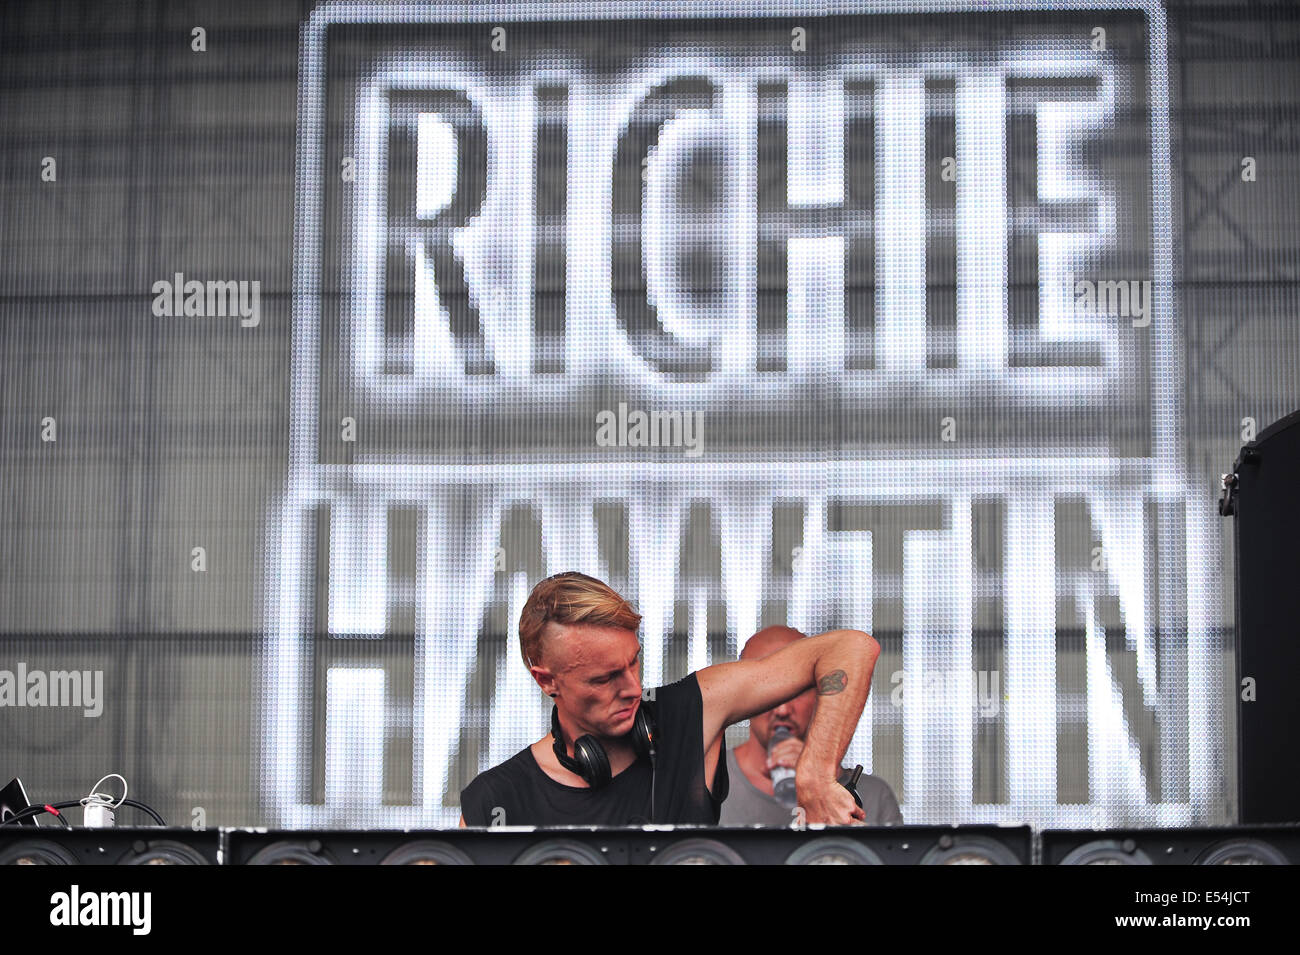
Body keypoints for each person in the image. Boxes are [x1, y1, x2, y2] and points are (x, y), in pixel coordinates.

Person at [459, 572, 880, 827]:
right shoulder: (494, 801)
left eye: (634, 663)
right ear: (546, 680)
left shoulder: (689, 713)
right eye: (604, 678)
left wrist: (815, 774)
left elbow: (851, 649)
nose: (630, 688)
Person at [718, 625, 902, 826]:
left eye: (797, 690)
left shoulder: (873, 796)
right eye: (766, 690)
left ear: (821, 694)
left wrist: (815, 776)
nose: (782, 710)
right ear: (743, 693)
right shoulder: (707, 779)